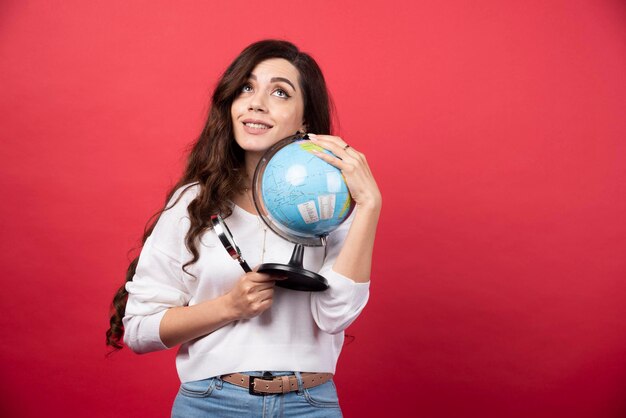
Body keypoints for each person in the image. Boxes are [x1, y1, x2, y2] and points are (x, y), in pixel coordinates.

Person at [106, 39, 381, 417]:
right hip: (211, 402)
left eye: (280, 92)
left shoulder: (333, 203)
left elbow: (335, 315)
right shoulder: (193, 203)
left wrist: (368, 205)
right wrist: (228, 306)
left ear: (305, 120)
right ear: (231, 104)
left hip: (310, 404)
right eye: (246, 88)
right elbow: (138, 329)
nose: (256, 102)